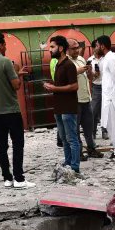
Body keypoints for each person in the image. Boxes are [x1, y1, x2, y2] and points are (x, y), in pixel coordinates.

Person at [0, 32, 34, 189]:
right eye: (4, 44)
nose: (6, 47)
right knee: (18, 143)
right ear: (0, 45)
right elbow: (16, 85)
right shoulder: (5, 62)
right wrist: (16, 72)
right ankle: (19, 178)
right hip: (11, 110)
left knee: (2, 146)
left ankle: (7, 178)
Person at [43, 36, 82, 174]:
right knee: (64, 138)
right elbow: (62, 85)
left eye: (52, 47)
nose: (50, 49)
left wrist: (54, 89)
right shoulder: (58, 64)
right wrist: (51, 86)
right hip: (59, 107)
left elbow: (74, 86)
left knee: (72, 139)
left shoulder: (69, 65)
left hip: (68, 108)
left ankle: (75, 167)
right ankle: (68, 162)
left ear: (60, 48)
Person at [93, 36, 115, 161]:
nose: (95, 47)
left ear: (102, 46)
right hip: (108, 97)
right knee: (109, 125)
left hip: (113, 97)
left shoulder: (112, 59)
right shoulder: (105, 59)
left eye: (97, 45)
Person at [67, 39, 102, 160]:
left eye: (78, 47)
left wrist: (90, 72)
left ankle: (91, 149)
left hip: (86, 98)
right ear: (67, 49)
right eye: (74, 48)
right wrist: (78, 71)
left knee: (89, 127)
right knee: (75, 130)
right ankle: (79, 152)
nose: (77, 50)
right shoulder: (65, 62)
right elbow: (64, 76)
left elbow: (89, 78)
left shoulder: (81, 59)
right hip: (74, 100)